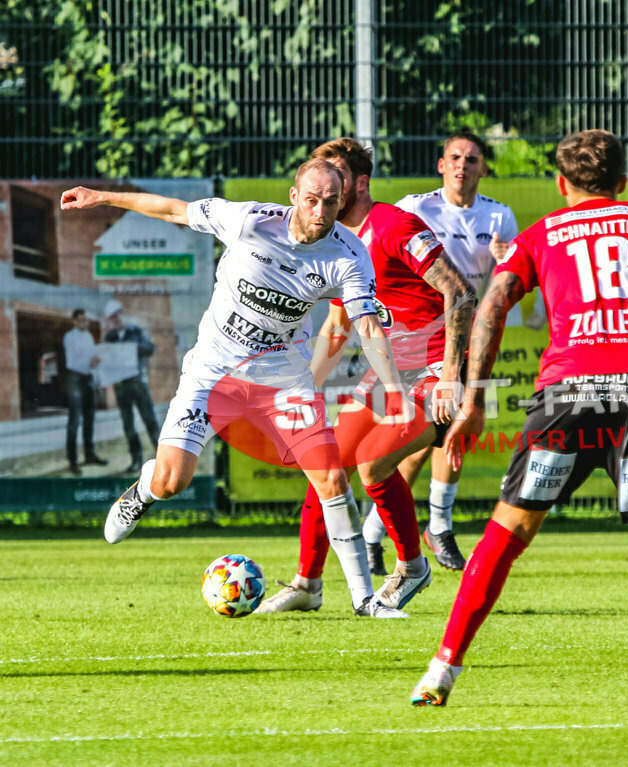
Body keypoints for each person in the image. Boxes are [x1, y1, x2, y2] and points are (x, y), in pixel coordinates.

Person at [410, 129, 628, 708]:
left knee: (508, 532)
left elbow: (491, 304)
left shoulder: (541, 234)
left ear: (562, 184)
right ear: (623, 183)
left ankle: (442, 667)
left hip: (566, 394)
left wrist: (472, 399)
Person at [59, 160, 404, 555]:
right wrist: (102, 196)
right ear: (294, 196)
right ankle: (144, 489)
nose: (320, 210)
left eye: (330, 201)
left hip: (278, 378)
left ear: (341, 201)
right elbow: (172, 209)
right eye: (312, 199)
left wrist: (393, 386)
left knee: (330, 479)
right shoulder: (248, 220)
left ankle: (359, 596)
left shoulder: (348, 252)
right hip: (214, 370)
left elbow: (367, 324)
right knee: (172, 482)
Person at [255, 137, 475, 617]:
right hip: (389, 374)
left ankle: (412, 567)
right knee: (325, 462)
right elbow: (337, 326)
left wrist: (453, 377)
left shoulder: (394, 224)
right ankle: (307, 584)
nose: (324, 185)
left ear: (359, 183)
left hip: (433, 370)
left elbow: (459, 292)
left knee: (374, 466)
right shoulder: (340, 245)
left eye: (334, 175)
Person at [361, 129, 518, 572]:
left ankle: (418, 529)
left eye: (471, 159)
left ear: (483, 168)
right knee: (414, 441)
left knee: (453, 432)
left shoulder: (500, 216)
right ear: (441, 165)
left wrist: (502, 258)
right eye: (455, 157)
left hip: (470, 340)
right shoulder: (416, 207)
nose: (462, 166)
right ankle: (412, 530)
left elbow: (506, 283)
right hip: (417, 340)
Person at [103, 300, 161, 473]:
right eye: (112, 318)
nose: (116, 319)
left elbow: (150, 348)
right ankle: (136, 459)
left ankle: (162, 456)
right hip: (121, 386)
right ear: (109, 321)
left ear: (122, 315)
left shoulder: (136, 332)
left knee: (149, 419)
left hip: (137, 382)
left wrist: (131, 349)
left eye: (118, 315)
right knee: (128, 425)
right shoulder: (110, 338)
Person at [62, 308, 107, 475]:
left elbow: (92, 359)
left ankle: (90, 455)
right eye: (81, 320)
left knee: (90, 418)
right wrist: (90, 361)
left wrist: (96, 377)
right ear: (74, 321)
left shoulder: (89, 337)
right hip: (75, 378)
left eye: (86, 320)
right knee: (74, 420)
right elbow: (73, 360)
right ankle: (72, 461)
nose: (84, 323)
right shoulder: (69, 337)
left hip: (88, 379)